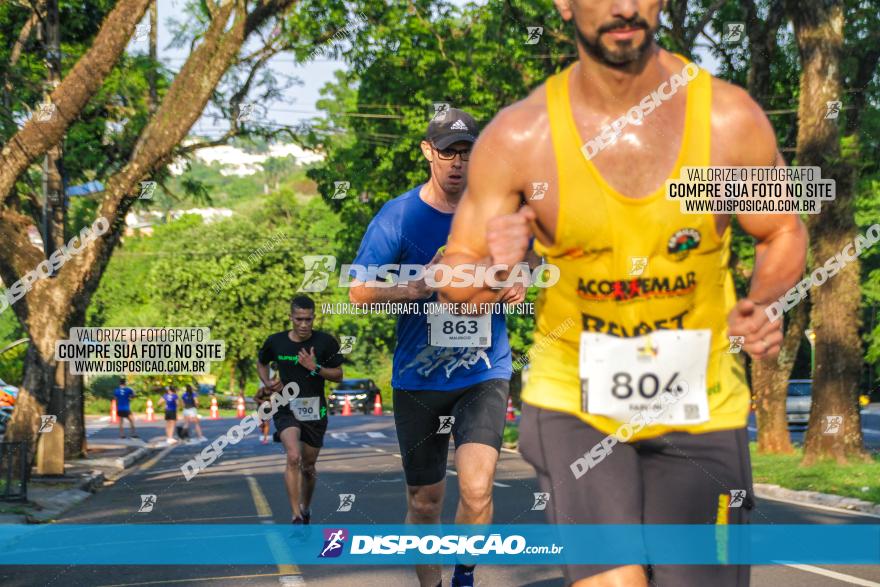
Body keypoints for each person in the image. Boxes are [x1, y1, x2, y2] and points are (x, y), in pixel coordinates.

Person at [437, 2, 808, 586]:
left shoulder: (724, 122)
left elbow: (781, 229)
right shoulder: (523, 137)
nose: (624, 6)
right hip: (577, 402)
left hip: (699, 399)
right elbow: (455, 267)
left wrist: (763, 299)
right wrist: (492, 273)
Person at [349, 109, 529, 587]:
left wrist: (520, 279)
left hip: (483, 369)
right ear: (429, 152)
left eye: (468, 153)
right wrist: (411, 288)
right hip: (418, 378)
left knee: (476, 488)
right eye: (448, 152)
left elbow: (527, 253)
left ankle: (464, 576)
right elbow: (359, 291)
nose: (458, 162)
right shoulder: (399, 215)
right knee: (425, 502)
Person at [257, 295, 344, 524]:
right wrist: (267, 383)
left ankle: (305, 508)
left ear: (314, 317)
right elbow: (261, 362)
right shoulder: (276, 342)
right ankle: (295, 514)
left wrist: (314, 367)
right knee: (293, 456)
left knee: (308, 466)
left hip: (315, 411)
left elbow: (338, 375)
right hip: (285, 406)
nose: (304, 324)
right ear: (291, 318)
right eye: (299, 319)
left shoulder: (325, 342)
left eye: (308, 319)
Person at [254, 378, 275, 444]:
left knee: (267, 424)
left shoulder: (273, 392)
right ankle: (262, 427)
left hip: (268, 410)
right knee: (261, 424)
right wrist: (262, 401)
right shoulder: (261, 390)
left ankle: (265, 439)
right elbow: (254, 398)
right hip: (260, 409)